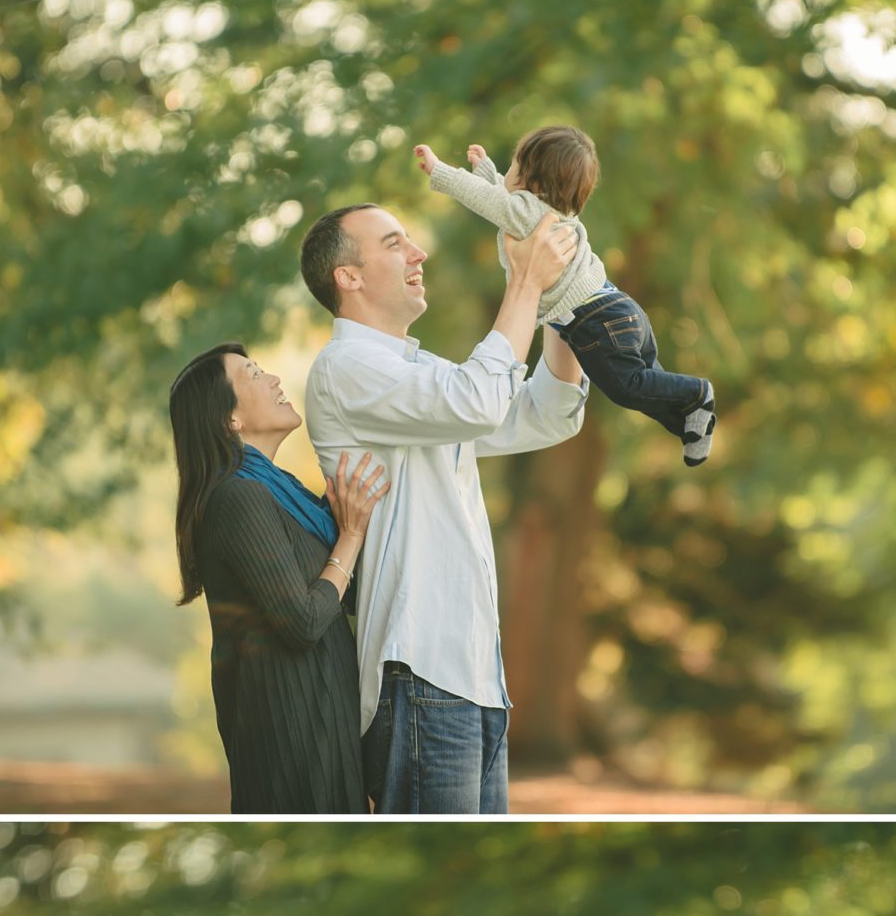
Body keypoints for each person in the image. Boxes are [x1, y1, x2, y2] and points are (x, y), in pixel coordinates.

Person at [300, 198, 586, 814]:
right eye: (394, 243)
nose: (418, 253)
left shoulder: (420, 372)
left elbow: (544, 414)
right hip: (419, 670)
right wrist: (524, 282)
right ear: (347, 277)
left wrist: (559, 297)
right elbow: (475, 401)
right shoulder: (344, 368)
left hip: (474, 677)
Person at [171, 341, 390, 813]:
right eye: (252, 374)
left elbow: (338, 598)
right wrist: (349, 535)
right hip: (289, 738)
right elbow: (304, 621)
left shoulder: (282, 495)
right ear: (229, 420)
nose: (272, 378)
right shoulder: (237, 498)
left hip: (325, 722)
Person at [418, 125, 716, 465]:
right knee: (649, 389)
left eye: (515, 165)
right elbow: (502, 197)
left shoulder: (526, 212)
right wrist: (486, 170)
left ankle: (698, 393)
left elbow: (490, 200)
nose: (508, 172)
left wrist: (439, 170)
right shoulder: (549, 211)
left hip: (596, 321)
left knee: (627, 387)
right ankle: (691, 423)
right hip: (619, 308)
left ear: (537, 185)